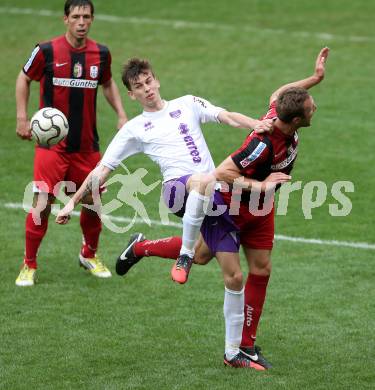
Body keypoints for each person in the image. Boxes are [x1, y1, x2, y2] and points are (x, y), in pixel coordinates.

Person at [115, 47, 329, 369]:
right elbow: (223, 173)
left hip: (262, 210)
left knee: (260, 269)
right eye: (311, 107)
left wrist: (314, 78)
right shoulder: (263, 143)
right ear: (296, 119)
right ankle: (143, 248)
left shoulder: (282, 117)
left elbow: (279, 93)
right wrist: (262, 185)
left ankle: (246, 345)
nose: (316, 108)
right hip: (231, 206)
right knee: (214, 264)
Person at [56, 57, 272, 368]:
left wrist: (255, 123)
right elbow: (102, 170)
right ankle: (183, 253)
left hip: (211, 199)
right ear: (132, 95)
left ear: (156, 81)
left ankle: (231, 352)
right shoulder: (134, 128)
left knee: (235, 277)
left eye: (148, 82)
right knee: (202, 184)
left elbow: (224, 116)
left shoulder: (187, 103)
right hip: (177, 191)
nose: (146, 90)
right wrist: (71, 202)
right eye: (138, 87)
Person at [15, 0, 128, 286]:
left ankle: (88, 254)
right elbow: (24, 77)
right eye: (76, 16)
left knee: (93, 201)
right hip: (51, 146)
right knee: (42, 203)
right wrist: (21, 117)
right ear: (65, 19)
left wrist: (121, 115)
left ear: (91, 20)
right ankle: (29, 264)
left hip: (86, 145)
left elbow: (108, 83)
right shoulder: (46, 51)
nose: (81, 21)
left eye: (86, 17)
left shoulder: (100, 53)